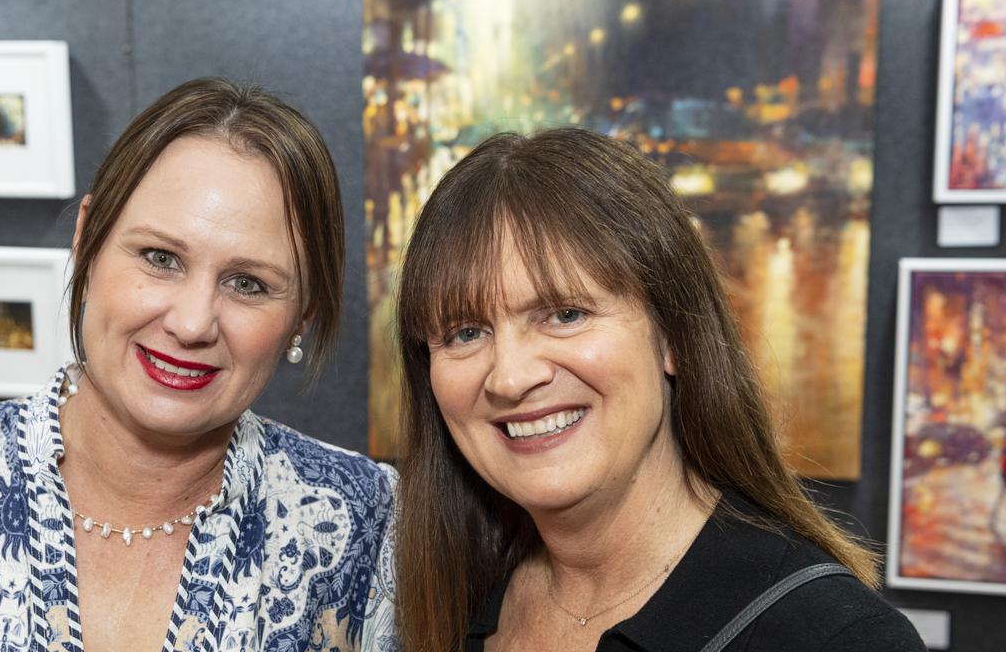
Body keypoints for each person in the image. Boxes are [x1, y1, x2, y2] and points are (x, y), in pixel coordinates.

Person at [0, 78, 398, 651]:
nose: (192, 322)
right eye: (160, 257)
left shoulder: (362, 523)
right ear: (87, 240)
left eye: (249, 284)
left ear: (304, 316)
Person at [392, 128, 924, 652]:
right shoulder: (439, 604)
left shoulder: (833, 637)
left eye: (566, 314)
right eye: (465, 332)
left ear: (673, 336)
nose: (509, 377)